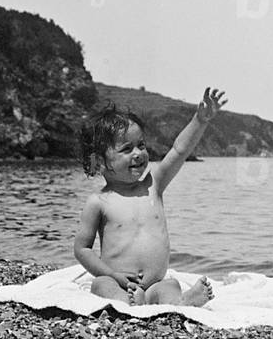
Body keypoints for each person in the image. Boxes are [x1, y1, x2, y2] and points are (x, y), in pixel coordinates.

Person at [73, 88, 226, 306]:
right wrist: (111, 274)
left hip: (156, 283)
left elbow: (179, 151)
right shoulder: (98, 202)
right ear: (99, 162)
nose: (138, 153)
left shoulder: (153, 185)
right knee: (100, 285)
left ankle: (181, 302)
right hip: (118, 282)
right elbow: (82, 249)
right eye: (127, 149)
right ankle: (125, 300)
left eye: (141, 145)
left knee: (170, 285)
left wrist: (200, 121)